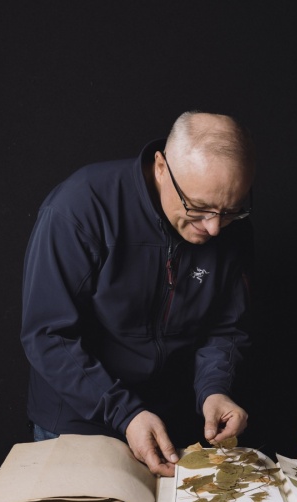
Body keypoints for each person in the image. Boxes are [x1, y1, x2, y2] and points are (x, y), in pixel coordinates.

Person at [21, 111, 257, 477]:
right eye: (198, 209)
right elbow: (47, 335)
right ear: (161, 166)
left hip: (173, 423)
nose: (213, 228)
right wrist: (124, 412)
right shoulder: (79, 208)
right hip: (79, 421)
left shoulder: (230, 225)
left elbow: (225, 328)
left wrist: (214, 390)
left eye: (229, 212)